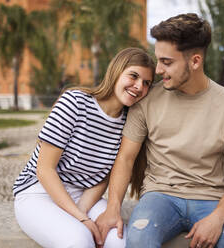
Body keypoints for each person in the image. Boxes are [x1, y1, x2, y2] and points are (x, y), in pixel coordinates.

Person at [96, 14, 224, 248]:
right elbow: (126, 158)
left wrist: (218, 218)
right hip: (159, 196)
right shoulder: (147, 100)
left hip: (211, 200)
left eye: (167, 62)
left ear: (195, 61)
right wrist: (113, 208)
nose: (158, 69)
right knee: (139, 239)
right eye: (158, 60)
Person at [13, 47, 155, 248]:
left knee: (119, 241)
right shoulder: (75, 102)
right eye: (134, 76)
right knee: (78, 240)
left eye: (146, 83)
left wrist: (81, 211)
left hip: (84, 196)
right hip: (38, 191)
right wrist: (80, 218)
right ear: (116, 72)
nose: (139, 86)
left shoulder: (129, 123)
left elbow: (104, 177)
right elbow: (44, 169)